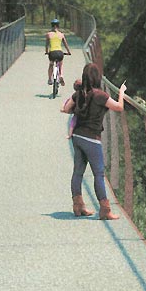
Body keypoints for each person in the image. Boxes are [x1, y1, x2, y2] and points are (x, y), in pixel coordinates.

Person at [60, 63, 127, 219]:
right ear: (97, 77)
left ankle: (78, 206)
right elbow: (119, 107)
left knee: (78, 172)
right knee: (98, 173)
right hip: (91, 139)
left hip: (77, 137)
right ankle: (105, 210)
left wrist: (77, 94)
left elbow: (66, 109)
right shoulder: (100, 95)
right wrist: (121, 93)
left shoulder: (80, 94)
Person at [44, 18, 72, 85]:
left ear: (52, 25)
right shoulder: (61, 34)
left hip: (52, 53)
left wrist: (46, 51)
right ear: (58, 26)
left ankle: (50, 79)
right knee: (60, 64)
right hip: (60, 53)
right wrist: (68, 52)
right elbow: (65, 44)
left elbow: (46, 45)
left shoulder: (49, 34)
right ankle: (61, 75)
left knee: (51, 64)